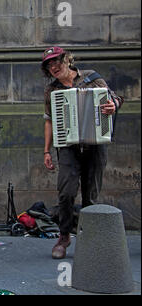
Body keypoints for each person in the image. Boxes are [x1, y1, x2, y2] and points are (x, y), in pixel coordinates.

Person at [41, 46, 123, 259]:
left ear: (67, 59)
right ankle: (64, 235)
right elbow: (49, 121)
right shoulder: (52, 91)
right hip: (68, 146)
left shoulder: (93, 78)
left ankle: (89, 238)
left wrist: (112, 105)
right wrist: (46, 151)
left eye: (56, 61)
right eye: (49, 65)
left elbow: (115, 98)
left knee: (90, 194)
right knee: (66, 191)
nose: (53, 67)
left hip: (95, 144)